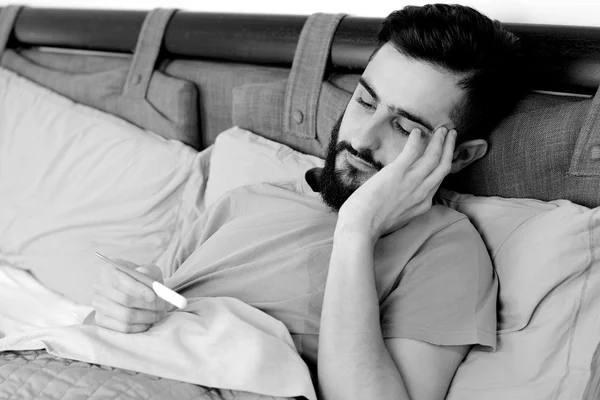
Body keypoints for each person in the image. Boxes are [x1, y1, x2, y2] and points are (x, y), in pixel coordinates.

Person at [90, 4, 525, 400]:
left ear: (461, 155)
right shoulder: (246, 199)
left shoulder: (445, 251)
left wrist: (357, 229)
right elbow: (144, 318)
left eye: (404, 128)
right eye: (365, 100)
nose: (362, 137)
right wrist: (124, 303)